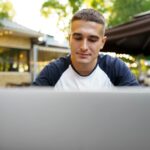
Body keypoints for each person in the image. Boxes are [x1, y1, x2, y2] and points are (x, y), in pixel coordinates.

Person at [33, 8, 139, 90]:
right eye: (78, 38)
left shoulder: (115, 68)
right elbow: (31, 105)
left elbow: (138, 105)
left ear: (102, 43)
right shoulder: (53, 71)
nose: (84, 47)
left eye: (92, 40)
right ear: (69, 39)